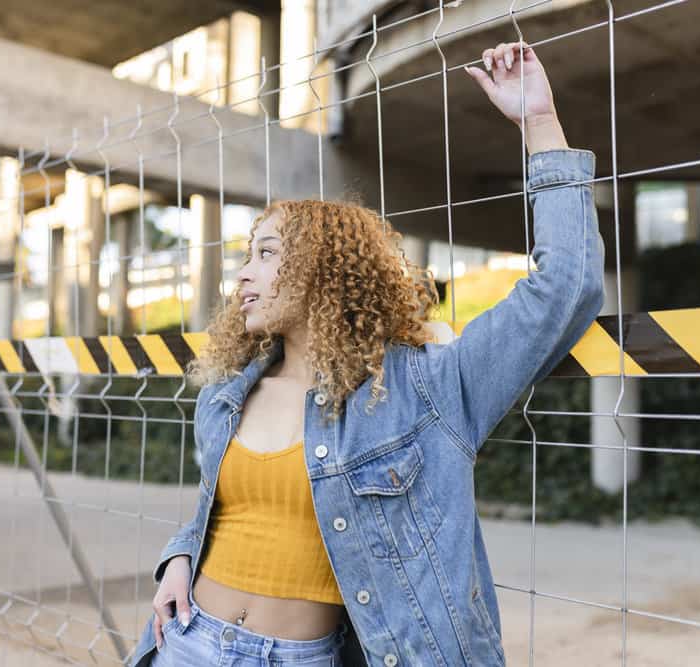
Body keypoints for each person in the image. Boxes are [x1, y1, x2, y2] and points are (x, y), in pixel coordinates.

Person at [129, 41, 605, 666]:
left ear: (326, 271)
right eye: (247, 256)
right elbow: (218, 513)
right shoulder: (226, 396)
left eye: (267, 254)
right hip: (188, 643)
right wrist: (179, 555)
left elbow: (564, 287)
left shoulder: (428, 389)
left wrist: (539, 121)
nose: (243, 275)